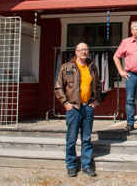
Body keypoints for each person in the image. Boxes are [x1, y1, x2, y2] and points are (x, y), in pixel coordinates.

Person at [54, 43, 101, 178]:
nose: (84, 52)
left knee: (86, 138)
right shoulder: (66, 67)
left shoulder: (92, 67)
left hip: (88, 107)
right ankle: (71, 165)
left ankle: (86, 165)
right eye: (81, 50)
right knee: (71, 139)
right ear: (76, 52)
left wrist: (95, 100)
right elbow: (58, 87)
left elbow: (98, 85)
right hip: (73, 108)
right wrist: (66, 103)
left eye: (86, 49)